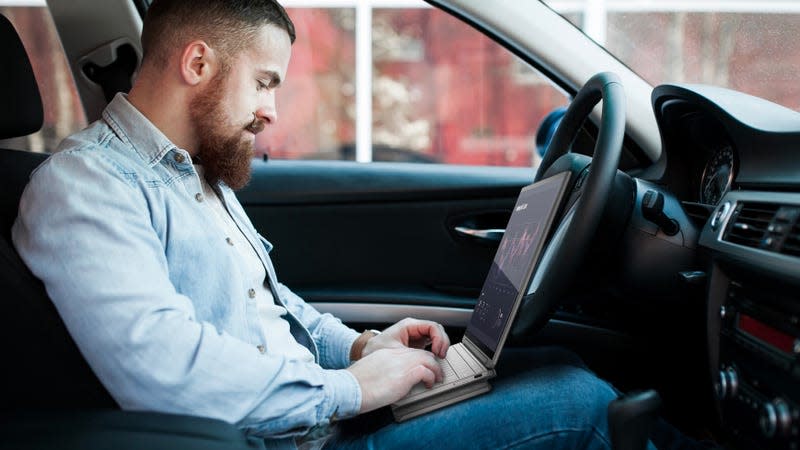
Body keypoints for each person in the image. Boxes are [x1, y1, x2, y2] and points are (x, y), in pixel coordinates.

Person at [11, 1, 654, 449]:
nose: (271, 111)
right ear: (198, 64)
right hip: (286, 440)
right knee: (580, 406)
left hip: (319, 419)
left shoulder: (193, 170)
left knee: (554, 363)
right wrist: (347, 389)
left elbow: (268, 306)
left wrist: (357, 348)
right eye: (264, 83)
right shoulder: (85, 187)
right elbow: (167, 369)